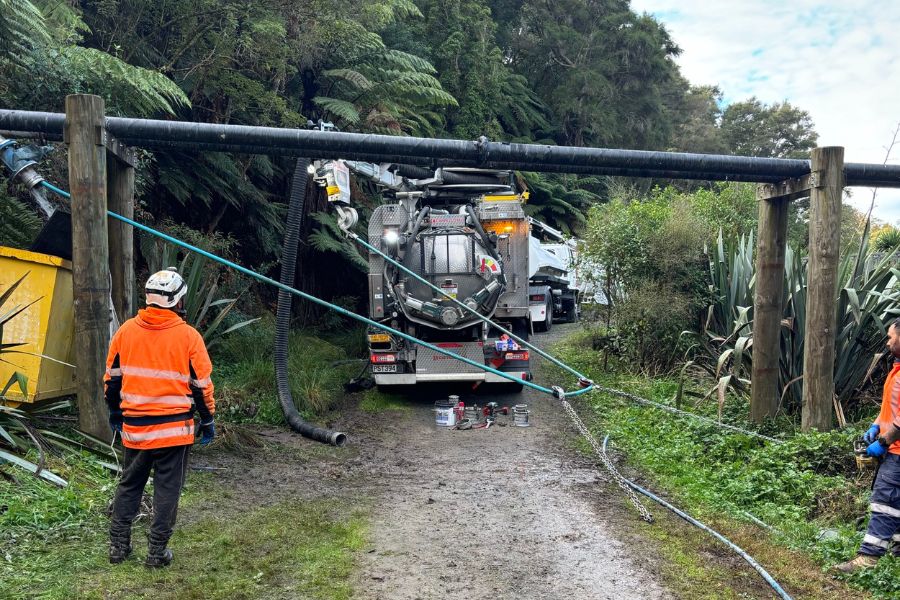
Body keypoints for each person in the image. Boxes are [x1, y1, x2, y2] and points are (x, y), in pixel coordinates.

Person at [105, 267, 216, 568]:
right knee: (167, 489)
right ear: (178, 301)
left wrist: (115, 413)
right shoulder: (189, 337)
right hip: (173, 432)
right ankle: (156, 552)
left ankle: (118, 546)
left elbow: (112, 380)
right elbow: (202, 386)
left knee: (130, 484)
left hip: (135, 430)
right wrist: (207, 419)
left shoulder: (126, 332)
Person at [834, 317, 900, 574]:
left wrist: (883, 441)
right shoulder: (896, 370)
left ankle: (868, 559)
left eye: (891, 337)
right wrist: (875, 425)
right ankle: (897, 555)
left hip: (896, 452)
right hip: (893, 449)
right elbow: (891, 409)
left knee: (885, 502)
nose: (887, 342)